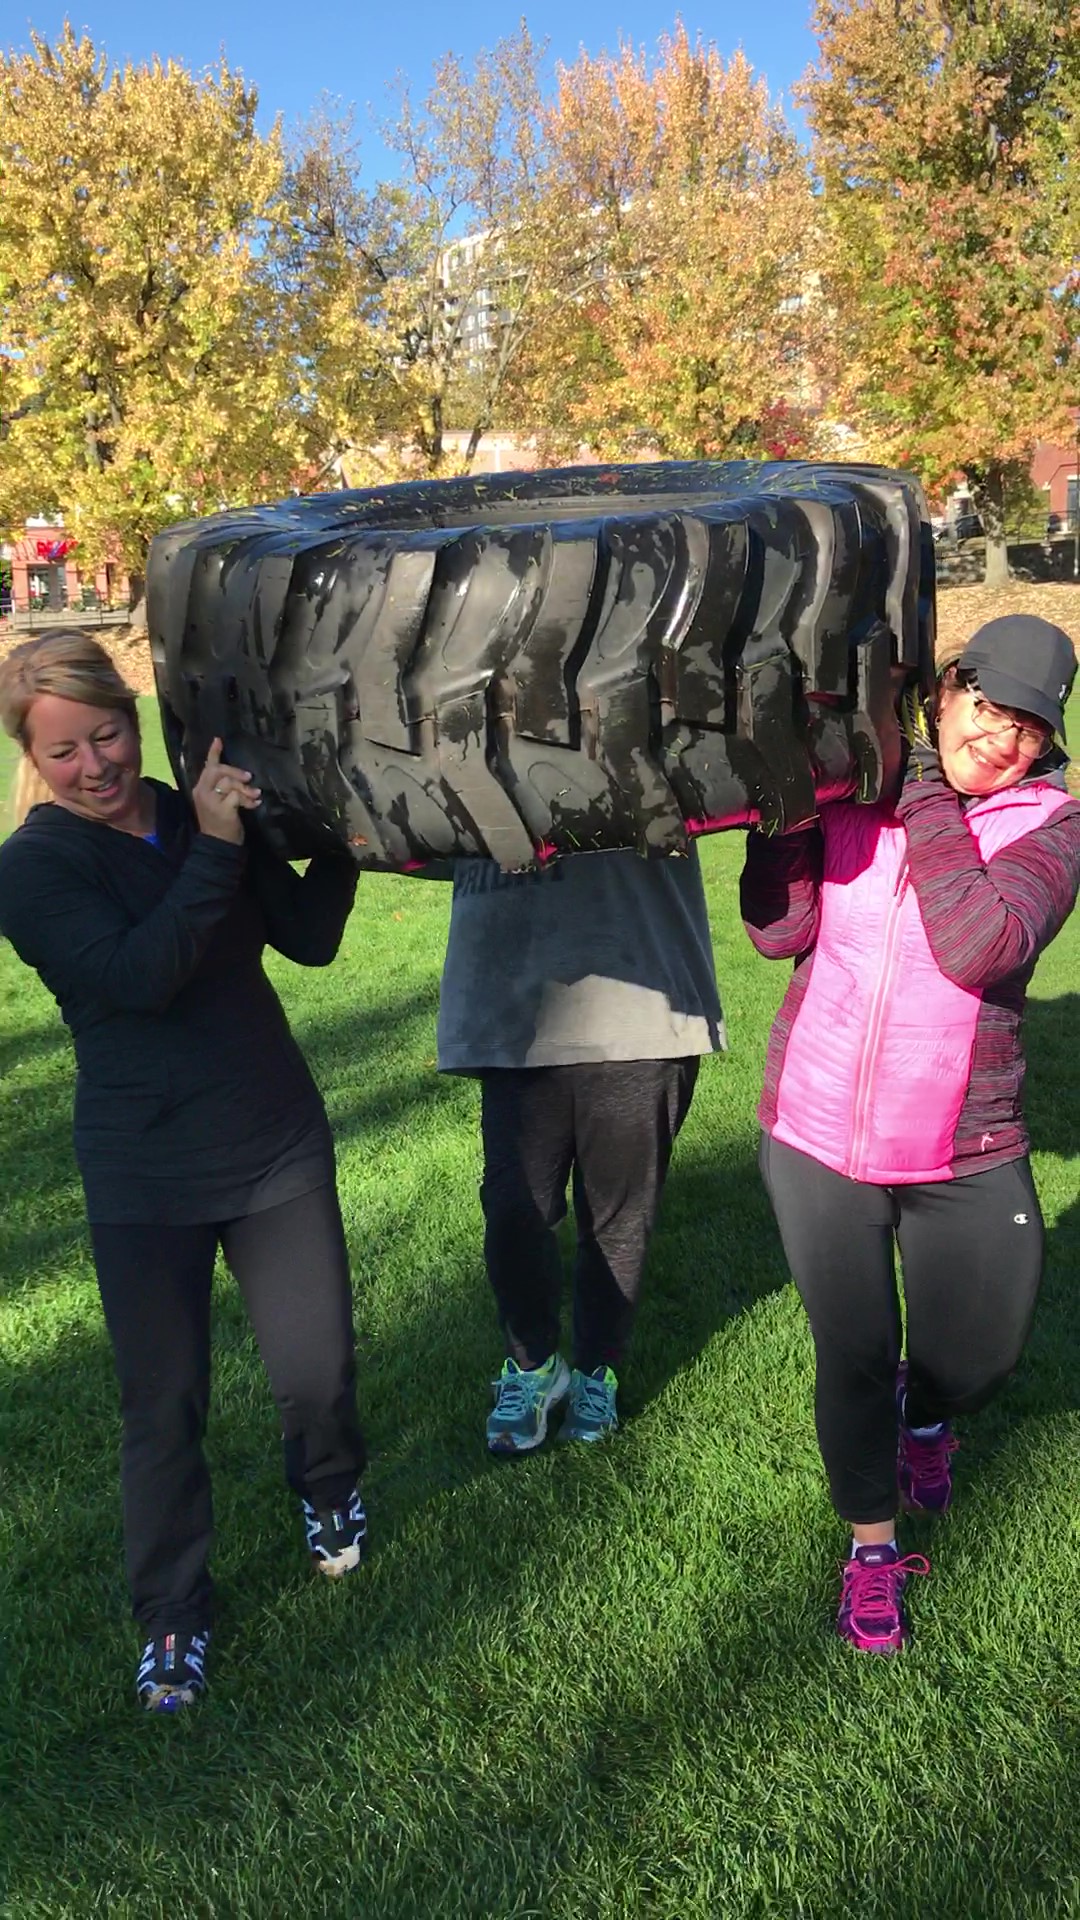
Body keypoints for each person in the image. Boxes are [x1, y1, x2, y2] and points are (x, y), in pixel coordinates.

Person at [0, 632, 367, 1712]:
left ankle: (331, 1492)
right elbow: (137, 976)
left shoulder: (197, 803)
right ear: (31, 753)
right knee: (163, 1407)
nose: (97, 766)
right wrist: (214, 842)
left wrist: (347, 842)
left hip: (273, 1138)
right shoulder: (32, 870)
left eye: (107, 734)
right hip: (145, 1168)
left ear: (134, 715)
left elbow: (305, 939)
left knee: (318, 1370)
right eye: (63, 751)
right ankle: (171, 1620)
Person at [740, 614, 1080, 1653]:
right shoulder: (857, 794)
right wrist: (786, 822)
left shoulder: (1050, 825)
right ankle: (874, 1552)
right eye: (987, 705)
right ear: (944, 690)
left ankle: (929, 1413)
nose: (1003, 738)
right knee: (850, 1354)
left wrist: (921, 782)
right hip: (816, 1134)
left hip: (960, 1146)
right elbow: (778, 932)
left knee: (979, 1350)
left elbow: (980, 945)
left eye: (1028, 724)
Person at [437, 843, 723, 1451]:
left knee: (620, 1216)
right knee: (516, 1209)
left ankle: (596, 1370)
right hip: (516, 995)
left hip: (641, 993)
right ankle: (535, 1365)